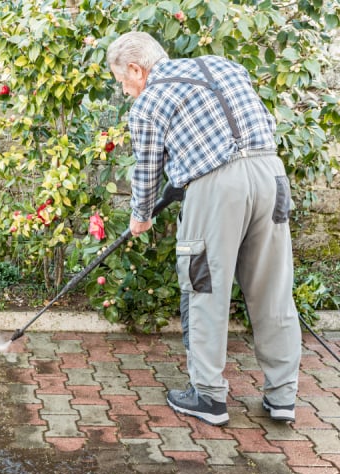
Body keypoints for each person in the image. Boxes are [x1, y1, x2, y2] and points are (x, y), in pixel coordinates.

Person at [106, 31, 302, 426]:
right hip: (271, 176)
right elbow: (247, 123)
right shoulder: (224, 65)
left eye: (121, 81)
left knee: (204, 289)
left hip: (217, 191)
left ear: (135, 69)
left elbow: (146, 172)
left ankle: (208, 397)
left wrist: (140, 216)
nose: (124, 90)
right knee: (273, 290)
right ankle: (283, 397)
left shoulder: (149, 102)